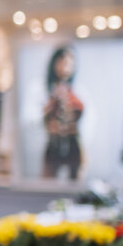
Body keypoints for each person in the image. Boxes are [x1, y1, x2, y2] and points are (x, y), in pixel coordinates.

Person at [42, 46, 83, 181]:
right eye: (62, 62)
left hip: (72, 143)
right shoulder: (44, 89)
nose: (66, 67)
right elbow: (33, 118)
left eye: (70, 63)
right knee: (49, 180)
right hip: (53, 143)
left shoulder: (78, 90)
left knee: (74, 181)